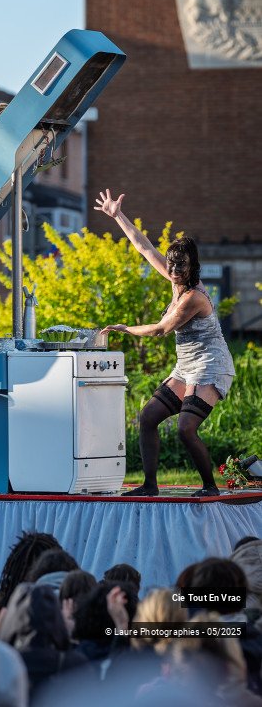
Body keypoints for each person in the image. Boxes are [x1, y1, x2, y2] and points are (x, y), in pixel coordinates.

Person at [95, 189, 235, 497]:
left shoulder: (193, 298)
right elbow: (144, 248)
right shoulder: (175, 278)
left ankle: (211, 487)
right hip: (186, 366)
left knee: (186, 429)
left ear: (192, 267)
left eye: (179, 267)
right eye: (170, 265)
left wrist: (125, 329)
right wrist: (117, 215)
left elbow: (160, 330)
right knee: (147, 418)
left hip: (211, 366)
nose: (172, 272)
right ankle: (150, 486)